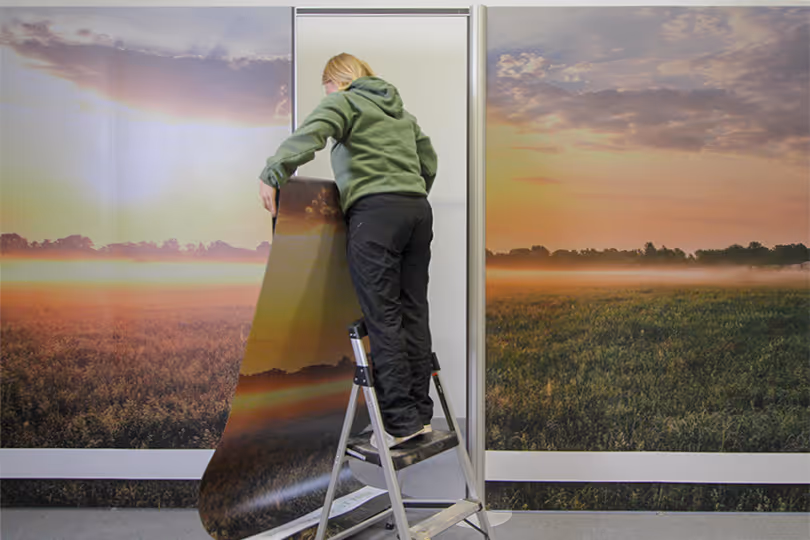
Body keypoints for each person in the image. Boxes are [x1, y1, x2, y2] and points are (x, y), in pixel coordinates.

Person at [257, 53, 438, 450]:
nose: (326, 95)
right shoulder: (402, 115)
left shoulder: (345, 100)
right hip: (417, 212)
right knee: (413, 311)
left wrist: (273, 173)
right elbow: (428, 162)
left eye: (326, 88)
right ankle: (421, 416)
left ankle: (400, 424)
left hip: (375, 215)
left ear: (338, 81)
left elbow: (312, 134)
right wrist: (406, 189)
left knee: (384, 316)